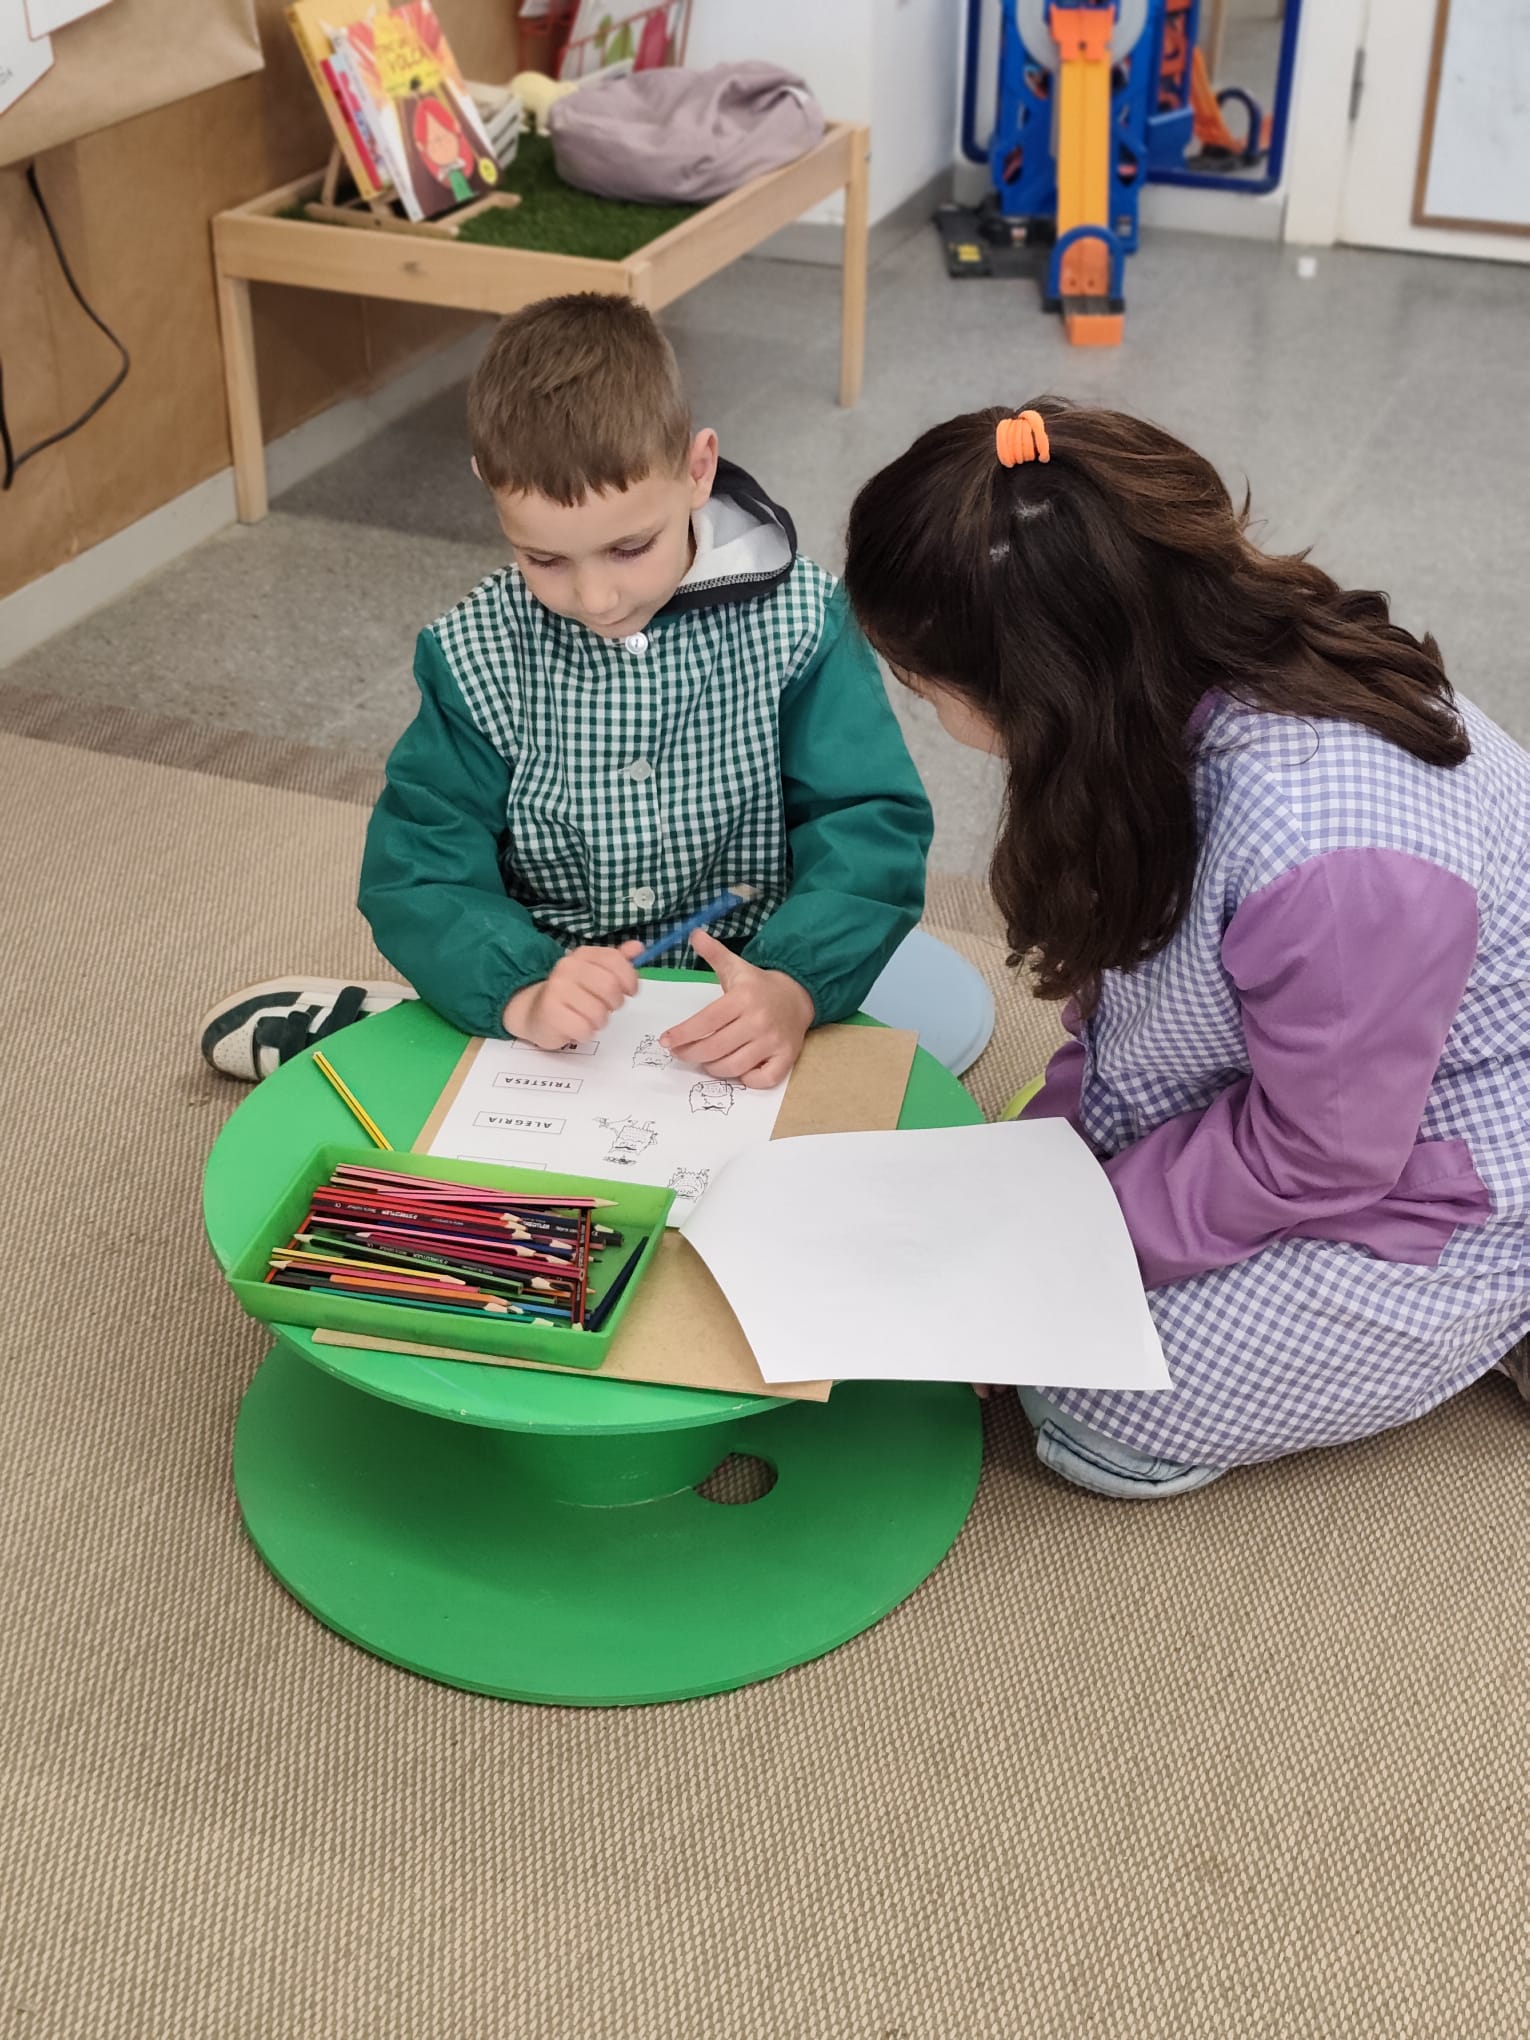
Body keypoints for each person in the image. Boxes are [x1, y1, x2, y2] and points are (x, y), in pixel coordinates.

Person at [841, 399, 1530, 1499]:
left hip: (1445, 1151)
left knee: (1090, 1411)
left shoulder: (1326, 852)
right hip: (1334, 1084)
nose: (925, 709)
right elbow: (1137, 1005)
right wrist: (1049, 1201)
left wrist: (1056, 1253)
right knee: (1025, 1228)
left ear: (1039, 686)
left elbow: (1324, 1151)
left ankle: (1500, 1311)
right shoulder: (1157, 700)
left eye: (927, 690)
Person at [200, 294, 932, 1090]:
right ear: (487, 484)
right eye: (545, 560)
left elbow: (868, 824)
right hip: (548, 983)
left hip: (750, 976)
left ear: (697, 469)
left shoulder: (801, 620)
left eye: (630, 548)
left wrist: (796, 983)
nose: (596, 599)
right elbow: (422, 865)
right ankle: (391, 1023)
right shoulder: (475, 651)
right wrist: (520, 993)